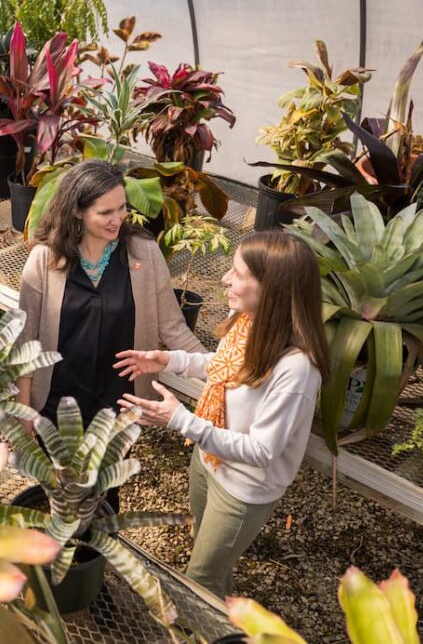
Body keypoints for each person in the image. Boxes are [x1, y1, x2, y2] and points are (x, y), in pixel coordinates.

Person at [116, 231, 329, 598]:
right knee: (211, 562)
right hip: (208, 460)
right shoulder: (248, 320)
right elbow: (224, 366)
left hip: (243, 488)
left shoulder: (297, 370)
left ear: (272, 288)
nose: (224, 279)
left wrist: (180, 420)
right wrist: (169, 359)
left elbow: (262, 451)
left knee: (199, 581)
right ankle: (222, 619)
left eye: (238, 273)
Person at [15, 159, 205, 425]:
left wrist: (218, 370)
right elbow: (25, 341)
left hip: (121, 408)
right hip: (56, 406)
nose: (117, 220)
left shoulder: (144, 253)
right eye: (105, 213)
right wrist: (23, 411)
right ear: (77, 212)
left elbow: (173, 327)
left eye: (122, 208)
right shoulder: (44, 260)